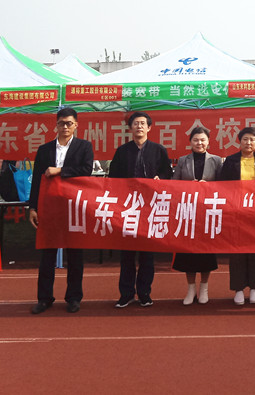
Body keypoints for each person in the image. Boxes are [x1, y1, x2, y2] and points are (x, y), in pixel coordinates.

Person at [29, 107, 94, 314]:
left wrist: (60, 171)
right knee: (47, 254)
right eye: (61, 123)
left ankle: (74, 298)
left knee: (75, 254)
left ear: (76, 125)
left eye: (69, 123)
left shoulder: (84, 147)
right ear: (55, 125)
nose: (65, 127)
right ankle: (44, 298)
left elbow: (86, 171)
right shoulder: (44, 150)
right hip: (50, 207)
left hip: (73, 206)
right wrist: (32, 207)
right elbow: (36, 181)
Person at [109, 112, 173, 309]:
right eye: (135, 123)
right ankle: (126, 294)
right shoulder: (122, 151)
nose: (139, 127)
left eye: (142, 123)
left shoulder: (158, 150)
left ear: (149, 128)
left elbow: (168, 173)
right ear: (130, 128)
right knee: (127, 254)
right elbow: (113, 177)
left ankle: (144, 293)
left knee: (147, 254)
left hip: (150, 207)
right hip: (128, 207)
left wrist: (160, 179)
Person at [172, 126, 223, 305]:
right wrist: (188, 186)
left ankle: (204, 288)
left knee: (206, 253)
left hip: (208, 212)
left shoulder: (216, 160)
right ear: (190, 142)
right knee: (188, 254)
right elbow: (174, 184)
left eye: (202, 140)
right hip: (188, 212)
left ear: (208, 142)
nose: (199, 143)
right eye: (195, 140)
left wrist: (208, 186)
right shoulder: (183, 160)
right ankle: (190, 288)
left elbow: (224, 186)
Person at [219, 127, 255, 305]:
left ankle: (254, 287)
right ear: (239, 141)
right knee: (237, 250)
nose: (248, 143)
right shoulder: (231, 160)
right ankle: (238, 288)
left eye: (252, 140)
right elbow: (222, 185)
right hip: (236, 211)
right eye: (245, 139)